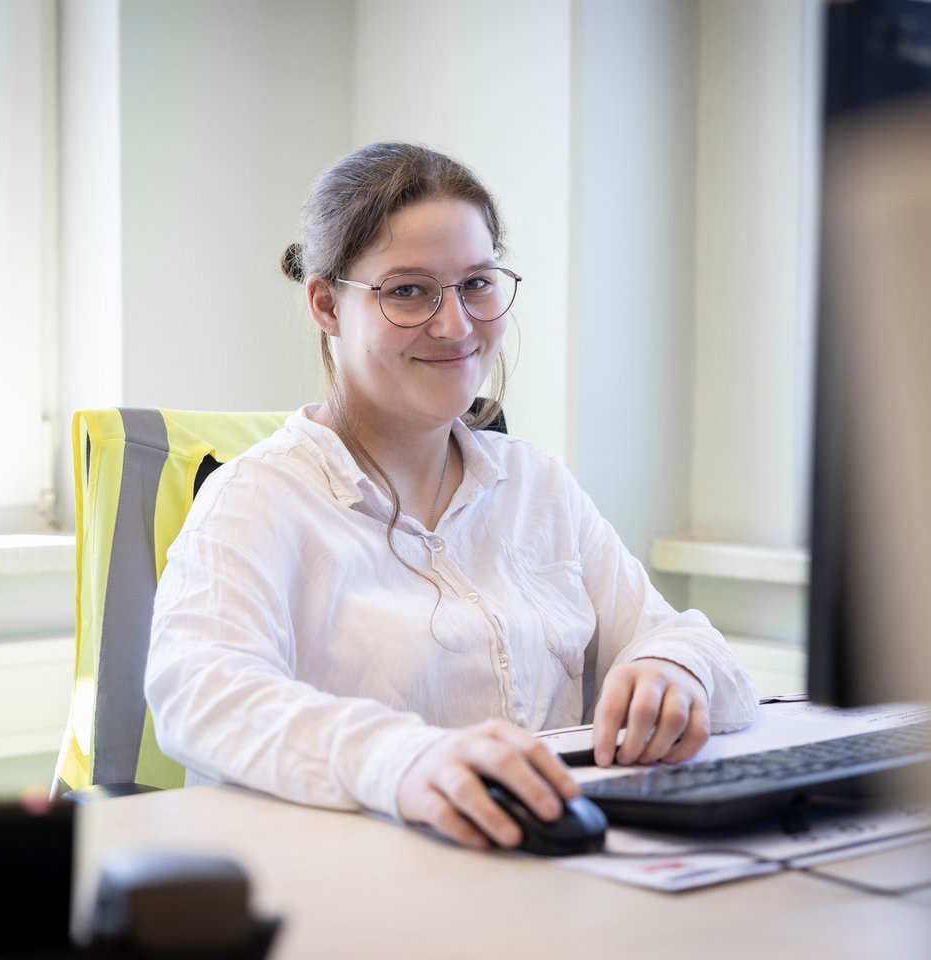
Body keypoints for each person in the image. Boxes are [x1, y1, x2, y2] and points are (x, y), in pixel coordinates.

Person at [144, 141, 758, 851]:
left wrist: (672, 669)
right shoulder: (256, 498)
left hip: (544, 874)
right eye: (408, 290)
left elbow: (685, 643)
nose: (455, 325)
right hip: (348, 888)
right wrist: (401, 759)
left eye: (476, 283)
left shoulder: (538, 487)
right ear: (326, 304)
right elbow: (201, 692)